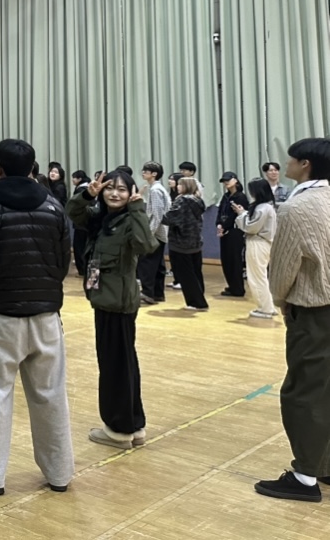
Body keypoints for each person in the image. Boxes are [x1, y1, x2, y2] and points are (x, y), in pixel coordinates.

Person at [0, 139, 74, 496]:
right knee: (51, 395)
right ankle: (59, 473)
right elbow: (63, 262)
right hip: (46, 316)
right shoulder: (54, 207)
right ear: (33, 168)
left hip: (0, 316)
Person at [254, 137, 330, 502]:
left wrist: (281, 301)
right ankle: (324, 464)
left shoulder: (297, 207)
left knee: (304, 392)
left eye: (291, 160)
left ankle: (304, 477)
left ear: (305, 165)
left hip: (315, 312)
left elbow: (283, 268)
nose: (285, 165)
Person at [68, 171, 157, 450]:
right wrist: (87, 194)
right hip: (105, 299)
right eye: (110, 188)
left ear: (131, 193)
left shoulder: (130, 219)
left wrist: (138, 208)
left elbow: (146, 245)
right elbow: (72, 212)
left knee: (115, 367)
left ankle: (119, 430)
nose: (114, 194)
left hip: (117, 303)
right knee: (123, 364)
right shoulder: (100, 217)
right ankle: (133, 425)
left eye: (121, 189)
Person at [233, 178, 278, 319]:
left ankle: (264, 308)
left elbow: (251, 227)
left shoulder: (262, 208)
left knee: (256, 277)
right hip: (263, 243)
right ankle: (268, 306)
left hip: (258, 243)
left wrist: (241, 215)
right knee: (261, 276)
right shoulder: (266, 206)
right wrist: (244, 213)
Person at [162, 178, 208, 310]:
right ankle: (200, 297)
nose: (177, 186)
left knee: (186, 274)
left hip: (181, 242)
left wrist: (161, 215)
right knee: (196, 272)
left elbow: (170, 218)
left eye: (180, 184)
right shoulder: (198, 200)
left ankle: (196, 302)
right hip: (195, 241)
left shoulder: (182, 200)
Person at [137, 162, 171, 305]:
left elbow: (157, 215)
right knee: (158, 264)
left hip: (156, 233)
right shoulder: (158, 188)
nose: (143, 173)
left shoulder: (155, 190)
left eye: (146, 171)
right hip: (160, 232)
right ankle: (157, 293)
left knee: (147, 264)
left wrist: (149, 234)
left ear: (154, 174)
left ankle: (147, 293)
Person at [216, 172, 250, 297]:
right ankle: (231, 285)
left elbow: (236, 215)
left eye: (228, 180)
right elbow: (220, 211)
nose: (226, 183)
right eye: (224, 181)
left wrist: (225, 226)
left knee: (234, 260)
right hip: (225, 231)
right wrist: (219, 224)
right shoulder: (226, 196)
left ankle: (238, 288)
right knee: (226, 259)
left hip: (235, 231)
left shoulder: (240, 197)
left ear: (235, 180)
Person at [69, 170, 91, 276]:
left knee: (79, 247)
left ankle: (82, 269)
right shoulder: (86, 188)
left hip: (81, 223)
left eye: (74, 177)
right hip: (85, 224)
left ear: (79, 179)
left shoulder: (81, 190)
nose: (72, 180)